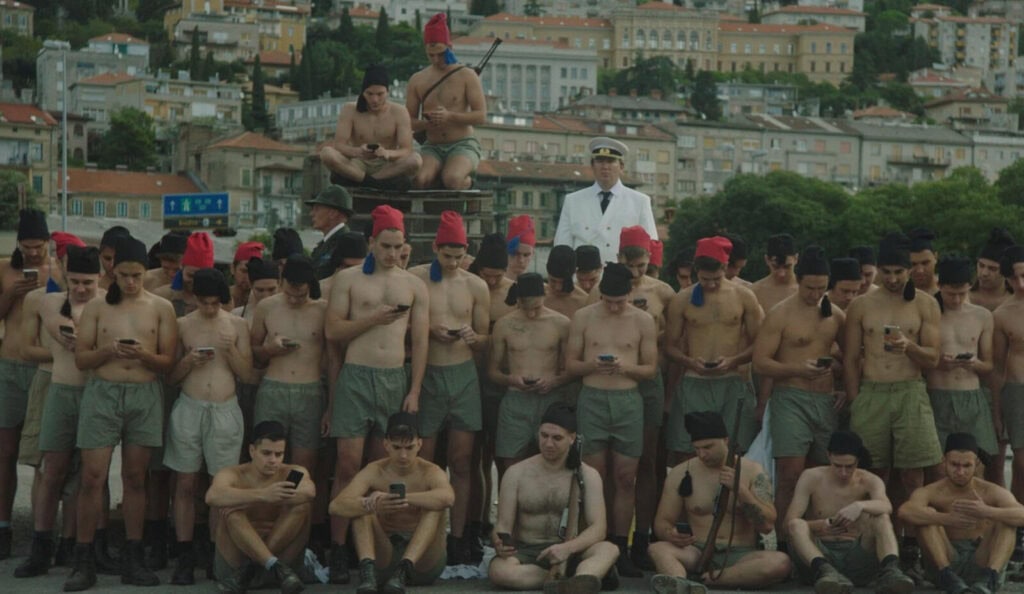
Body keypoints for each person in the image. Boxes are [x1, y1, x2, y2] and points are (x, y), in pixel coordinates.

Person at [65, 236, 177, 590]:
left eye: (137, 276)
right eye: (124, 275)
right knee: (92, 477)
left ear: (146, 273)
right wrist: (108, 351)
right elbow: (82, 359)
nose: (130, 282)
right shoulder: (97, 307)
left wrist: (143, 356)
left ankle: (134, 557)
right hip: (103, 393)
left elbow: (167, 361)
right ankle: (83, 561)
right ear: (112, 272)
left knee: (135, 478)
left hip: (144, 394)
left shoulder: (161, 307)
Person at [324, 205, 429, 583]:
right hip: (356, 375)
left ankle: (369, 550)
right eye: (385, 245)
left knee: (379, 470)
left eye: (398, 246)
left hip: (392, 378)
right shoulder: (349, 280)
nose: (391, 254)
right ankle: (338, 548)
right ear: (372, 242)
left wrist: (414, 390)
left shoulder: (414, 284)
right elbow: (333, 332)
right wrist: (373, 319)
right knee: (348, 466)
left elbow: (419, 342)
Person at [843, 232, 942, 549]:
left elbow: (934, 357)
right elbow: (849, 357)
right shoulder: (861, 304)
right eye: (886, 272)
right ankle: (872, 545)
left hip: (910, 391)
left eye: (898, 272)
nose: (893, 278)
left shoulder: (925, 304)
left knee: (913, 475)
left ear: (909, 270)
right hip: (871, 392)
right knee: (873, 472)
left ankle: (911, 546)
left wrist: (908, 346)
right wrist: (856, 398)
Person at [15, 245, 105, 578]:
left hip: (96, 393)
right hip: (60, 389)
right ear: (66, 276)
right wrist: (63, 345)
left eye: (88, 283)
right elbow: (28, 348)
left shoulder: (109, 303)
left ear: (100, 279)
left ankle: (73, 545)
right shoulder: (45, 301)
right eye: (76, 282)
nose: (81, 289)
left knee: (86, 476)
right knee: (51, 470)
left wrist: (90, 349)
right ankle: (41, 546)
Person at [408, 210, 490, 564]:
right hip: (429, 374)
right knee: (424, 461)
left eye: (459, 256)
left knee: (461, 460)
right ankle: (423, 535)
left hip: (462, 375)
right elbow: (403, 328)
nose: (454, 262)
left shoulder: (475, 285)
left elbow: (485, 338)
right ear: (435, 248)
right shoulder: (416, 279)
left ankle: (457, 537)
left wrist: (474, 337)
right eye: (447, 256)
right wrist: (429, 330)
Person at [565, 262, 657, 577]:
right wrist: (593, 364)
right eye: (608, 300)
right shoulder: (584, 317)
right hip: (592, 399)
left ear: (630, 294)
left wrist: (624, 368)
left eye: (620, 301)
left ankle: (621, 545)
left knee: (626, 477)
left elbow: (650, 370)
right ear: (601, 294)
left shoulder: (643, 320)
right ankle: (595, 543)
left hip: (628, 401)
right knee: (594, 475)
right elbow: (571, 365)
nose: (614, 307)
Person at [753, 246, 845, 551]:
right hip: (790, 397)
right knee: (790, 473)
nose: (815, 294)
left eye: (821, 288)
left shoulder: (836, 315)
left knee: (823, 473)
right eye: (809, 288)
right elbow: (761, 362)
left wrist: (843, 383)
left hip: (824, 400)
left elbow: (850, 360)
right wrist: (796, 368)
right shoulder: (781, 313)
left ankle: (819, 540)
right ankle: (783, 543)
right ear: (799, 280)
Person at [165, 267, 253, 584]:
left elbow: (248, 376)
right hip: (190, 406)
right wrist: (188, 362)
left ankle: (219, 554)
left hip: (225, 408)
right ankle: (185, 553)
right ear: (195, 299)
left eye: (216, 303)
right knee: (185, 484)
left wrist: (230, 350)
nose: (210, 309)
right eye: (204, 302)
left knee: (221, 487)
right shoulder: (183, 325)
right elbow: (171, 377)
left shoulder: (238, 325)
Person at [648, 411, 790, 591]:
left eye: (708, 447)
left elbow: (767, 525)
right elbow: (662, 522)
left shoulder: (753, 471)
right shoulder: (680, 473)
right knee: (658, 549)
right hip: (696, 551)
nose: (702, 454)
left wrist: (740, 490)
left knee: (780, 562)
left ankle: (708, 581)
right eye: (697, 448)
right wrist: (670, 533)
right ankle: (680, 582)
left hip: (740, 555)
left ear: (726, 440)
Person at [488, 402, 618, 593]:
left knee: (609, 549)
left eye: (557, 438)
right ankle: (572, 581)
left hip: (573, 550)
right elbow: (503, 524)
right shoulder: (516, 473)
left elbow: (598, 528)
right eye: (544, 436)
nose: (548, 443)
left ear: (572, 438)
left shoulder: (588, 475)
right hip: (530, 551)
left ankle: (580, 578)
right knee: (500, 571)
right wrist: (498, 542)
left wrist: (568, 548)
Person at [330, 412, 454, 592]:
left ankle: (404, 568)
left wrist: (402, 498)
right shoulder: (374, 470)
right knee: (360, 507)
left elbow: (448, 498)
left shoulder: (430, 471)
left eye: (409, 447)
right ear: (386, 445)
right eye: (397, 448)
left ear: (419, 444)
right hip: (385, 555)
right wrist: (370, 503)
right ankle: (368, 572)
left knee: (435, 506)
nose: (403, 455)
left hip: (422, 562)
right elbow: (336, 506)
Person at [664, 237, 763, 462]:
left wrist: (734, 360)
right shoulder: (683, 299)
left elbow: (760, 343)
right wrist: (690, 362)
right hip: (694, 380)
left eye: (716, 279)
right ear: (696, 271)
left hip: (732, 379)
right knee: (686, 452)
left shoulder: (744, 296)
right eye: (704, 279)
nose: (710, 285)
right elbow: (669, 346)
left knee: (735, 453)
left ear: (725, 268)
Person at [786, 431, 915, 593]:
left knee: (881, 517)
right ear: (828, 456)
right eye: (838, 466)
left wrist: (860, 506)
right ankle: (826, 571)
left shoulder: (869, 480)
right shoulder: (811, 477)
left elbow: (887, 506)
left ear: (858, 461)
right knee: (796, 525)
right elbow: (789, 522)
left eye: (849, 466)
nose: (843, 473)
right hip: (819, 554)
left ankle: (891, 571)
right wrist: (821, 525)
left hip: (856, 555)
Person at [898, 432, 1024, 594]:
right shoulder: (932, 491)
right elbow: (905, 511)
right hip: (947, 559)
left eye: (966, 466)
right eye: (955, 465)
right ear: (944, 462)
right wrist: (945, 518)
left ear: (977, 464)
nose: (960, 471)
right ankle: (947, 576)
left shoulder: (990, 491)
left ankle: (990, 579)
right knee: (926, 514)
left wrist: (987, 511)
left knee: (1005, 519)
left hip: (982, 559)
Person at [250, 255, 326, 510]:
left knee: (304, 467)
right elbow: (254, 353)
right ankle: (265, 524)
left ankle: (300, 531)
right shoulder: (267, 307)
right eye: (290, 294)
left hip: (310, 390)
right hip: (274, 388)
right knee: (266, 463)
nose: (294, 300)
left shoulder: (322, 309)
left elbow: (333, 358)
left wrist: (332, 405)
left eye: (301, 295)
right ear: (282, 282)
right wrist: (270, 349)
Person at [0, 208, 54, 558]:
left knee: (44, 458)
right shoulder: (4, 268)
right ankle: (3, 528)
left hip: (45, 370)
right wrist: (12, 294)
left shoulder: (60, 270)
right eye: (27, 246)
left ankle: (42, 532)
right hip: (9, 367)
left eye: (39, 246)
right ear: (18, 243)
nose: (33, 253)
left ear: (47, 242)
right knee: (4, 453)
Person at [206, 420, 313, 594]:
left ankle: (258, 566)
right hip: (237, 564)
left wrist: (277, 498)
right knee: (230, 508)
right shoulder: (233, 473)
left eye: (279, 454)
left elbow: (309, 492)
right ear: (252, 451)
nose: (273, 460)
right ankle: (271, 564)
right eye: (266, 453)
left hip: (280, 566)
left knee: (302, 507)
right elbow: (212, 496)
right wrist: (263, 495)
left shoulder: (291, 473)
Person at [490, 273, 571, 471]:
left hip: (550, 397)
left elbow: (572, 369)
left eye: (536, 307)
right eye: (526, 308)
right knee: (510, 464)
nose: (532, 314)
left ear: (544, 297)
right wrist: (511, 380)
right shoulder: (504, 325)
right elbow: (492, 371)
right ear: (517, 301)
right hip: (516, 399)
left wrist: (554, 381)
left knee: (553, 462)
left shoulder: (561, 323)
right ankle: (509, 501)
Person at [927, 255, 997, 476]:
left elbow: (988, 365)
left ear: (970, 286)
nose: (956, 300)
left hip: (971, 395)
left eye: (962, 293)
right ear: (939, 285)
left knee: (977, 465)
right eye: (950, 294)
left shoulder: (982, 315)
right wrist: (938, 363)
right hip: (938, 395)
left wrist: (974, 363)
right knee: (938, 466)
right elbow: (918, 359)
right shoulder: (929, 312)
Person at [407, 13, 486, 190]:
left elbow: (481, 116)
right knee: (419, 180)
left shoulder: (466, 75)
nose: (436, 59)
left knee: (453, 179)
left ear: (449, 47)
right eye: (431, 55)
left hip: (462, 143)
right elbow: (408, 121)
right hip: (432, 145)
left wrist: (450, 117)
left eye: (441, 54)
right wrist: (427, 124)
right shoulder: (417, 80)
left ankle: (468, 182)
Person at [553, 137, 658, 264]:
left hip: (622, 279)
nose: (605, 166)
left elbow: (651, 245)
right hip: (583, 279)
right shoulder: (573, 201)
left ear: (621, 166)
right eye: (600, 161)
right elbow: (562, 247)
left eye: (611, 161)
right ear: (592, 165)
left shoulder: (639, 202)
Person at [321, 64, 421, 191]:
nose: (375, 99)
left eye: (380, 94)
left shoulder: (399, 111)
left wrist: (387, 153)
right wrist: (358, 151)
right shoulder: (350, 109)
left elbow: (406, 150)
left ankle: (369, 181)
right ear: (363, 92)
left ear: (387, 91)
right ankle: (371, 182)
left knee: (415, 160)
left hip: (387, 165)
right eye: (370, 94)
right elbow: (339, 145)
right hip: (358, 163)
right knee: (327, 153)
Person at [994, 245, 1024, 512]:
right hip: (1017, 390)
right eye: (1014, 278)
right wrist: (997, 410)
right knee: (1022, 462)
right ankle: (1019, 523)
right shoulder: (1003, 313)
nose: (1021, 283)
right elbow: (996, 367)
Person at [154, 231, 215, 317]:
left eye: (202, 277)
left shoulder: (221, 301)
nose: (196, 281)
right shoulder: (161, 296)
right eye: (190, 275)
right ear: (182, 268)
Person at [306, 185, 355, 281]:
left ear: (332, 213)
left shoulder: (346, 244)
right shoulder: (327, 243)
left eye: (317, 209)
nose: (311, 214)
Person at [751, 233, 799, 314]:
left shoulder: (807, 291)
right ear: (767, 260)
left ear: (796, 259)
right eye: (775, 267)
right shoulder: (755, 292)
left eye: (787, 267)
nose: (781, 274)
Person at [972, 228, 1015, 312]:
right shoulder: (962, 299)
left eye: (993, 269)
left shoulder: (1015, 303)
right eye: (981, 265)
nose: (984, 273)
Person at [544, 246, 589, 321]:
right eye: (553, 281)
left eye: (563, 282)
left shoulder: (584, 302)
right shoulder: (537, 297)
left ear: (575, 272)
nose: (558, 287)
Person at [232, 257, 279, 324]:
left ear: (279, 284)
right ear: (251, 286)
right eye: (260, 290)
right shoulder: (237, 315)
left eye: (271, 289)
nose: (266, 296)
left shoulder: (289, 313)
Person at [230, 241, 265, 310]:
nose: (249, 277)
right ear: (232, 269)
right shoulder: (220, 299)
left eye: (254, 271)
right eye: (244, 271)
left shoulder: (262, 300)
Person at [96, 225, 130, 291]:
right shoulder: (93, 289)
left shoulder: (147, 285)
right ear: (100, 256)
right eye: (107, 258)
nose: (112, 265)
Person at [909, 228, 939, 296]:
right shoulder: (897, 295)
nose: (920, 270)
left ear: (935, 257)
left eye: (925, 263)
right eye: (913, 264)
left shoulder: (951, 293)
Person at [505, 215, 535, 280]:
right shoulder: (490, 287)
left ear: (533, 254)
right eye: (516, 254)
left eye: (526, 255)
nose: (521, 260)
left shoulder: (542, 289)